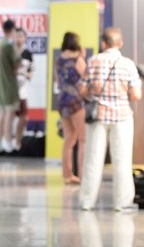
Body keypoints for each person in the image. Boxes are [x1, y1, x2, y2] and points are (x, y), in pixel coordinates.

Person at [78, 27, 142, 211]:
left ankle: (87, 202)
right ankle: (122, 204)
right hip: (122, 117)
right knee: (122, 160)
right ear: (120, 44)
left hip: (98, 116)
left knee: (93, 159)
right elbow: (136, 95)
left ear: (103, 43)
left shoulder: (93, 62)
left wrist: (95, 93)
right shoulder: (128, 64)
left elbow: (82, 90)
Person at [56, 32, 87, 185]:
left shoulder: (59, 61)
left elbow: (58, 82)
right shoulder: (78, 60)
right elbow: (84, 79)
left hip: (62, 101)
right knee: (83, 139)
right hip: (75, 102)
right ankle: (83, 175)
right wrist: (82, 55)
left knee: (69, 139)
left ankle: (67, 175)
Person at [0, 19, 20, 156]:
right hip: (8, 87)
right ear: (12, 30)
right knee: (9, 115)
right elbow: (16, 64)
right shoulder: (9, 46)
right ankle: (8, 143)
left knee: (1, 115)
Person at [14, 27, 34, 151]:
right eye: (16, 36)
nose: (18, 38)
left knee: (24, 117)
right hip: (10, 90)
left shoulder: (28, 54)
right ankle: (9, 142)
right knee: (8, 116)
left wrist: (24, 73)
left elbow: (31, 72)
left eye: (21, 36)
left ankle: (18, 140)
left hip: (22, 89)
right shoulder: (10, 51)